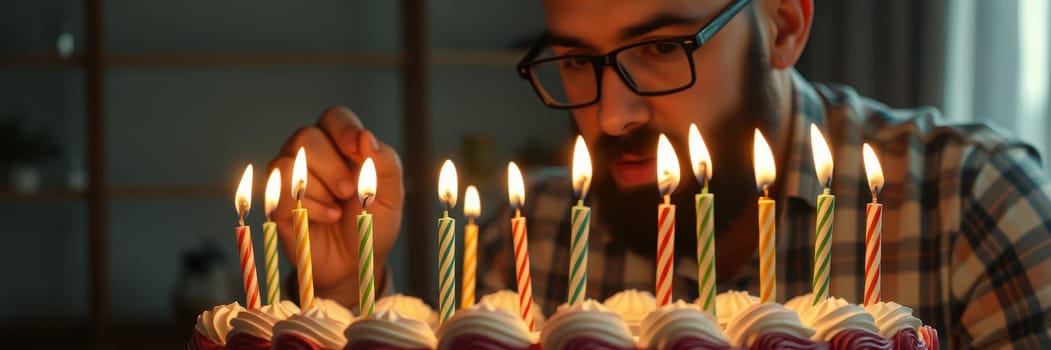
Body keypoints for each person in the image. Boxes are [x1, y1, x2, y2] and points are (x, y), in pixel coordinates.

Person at [269, 0, 1051, 348]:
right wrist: (340, 298)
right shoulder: (534, 244)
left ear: (781, 26)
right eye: (577, 61)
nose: (612, 115)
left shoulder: (970, 205)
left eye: (660, 49)